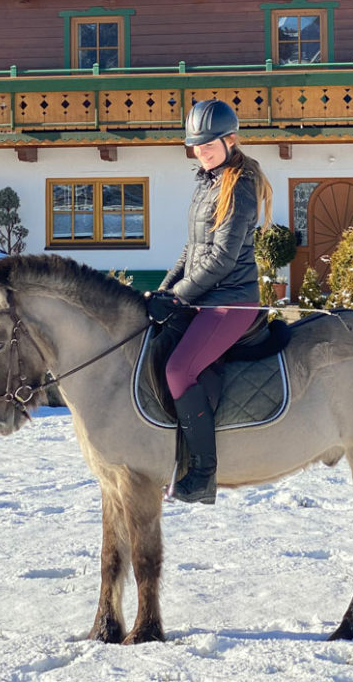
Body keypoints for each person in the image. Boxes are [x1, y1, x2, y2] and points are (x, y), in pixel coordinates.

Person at [146, 98, 273, 505]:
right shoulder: (207, 182)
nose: (202, 150)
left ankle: (201, 473)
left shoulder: (239, 186)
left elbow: (220, 259)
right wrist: (165, 291)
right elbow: (192, 248)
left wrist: (180, 296)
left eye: (209, 144)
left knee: (180, 370)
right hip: (202, 295)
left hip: (231, 300)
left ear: (230, 140)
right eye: (196, 145)